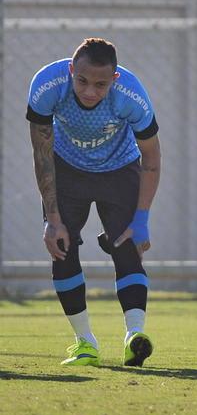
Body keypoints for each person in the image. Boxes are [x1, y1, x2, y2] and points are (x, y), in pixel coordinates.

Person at [26, 38, 161, 367]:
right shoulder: (47, 86)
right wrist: (52, 218)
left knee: (126, 243)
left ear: (114, 80)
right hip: (67, 169)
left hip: (120, 168)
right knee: (61, 246)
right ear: (72, 70)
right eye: (83, 81)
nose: (90, 92)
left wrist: (141, 219)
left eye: (101, 85)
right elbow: (42, 154)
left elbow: (152, 159)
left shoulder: (131, 95)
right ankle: (85, 342)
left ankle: (135, 336)